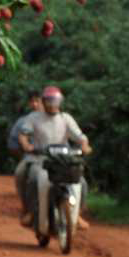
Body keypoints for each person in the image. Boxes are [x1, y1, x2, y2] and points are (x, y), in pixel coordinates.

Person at [16, 85, 92, 235]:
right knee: (30, 178)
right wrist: (26, 145)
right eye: (49, 101)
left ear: (60, 101)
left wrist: (84, 145)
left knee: (81, 182)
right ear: (43, 102)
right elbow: (23, 134)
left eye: (55, 101)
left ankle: (77, 215)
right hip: (39, 159)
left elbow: (80, 136)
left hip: (62, 161)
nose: (52, 104)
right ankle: (30, 211)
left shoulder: (65, 118)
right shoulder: (34, 118)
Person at [8, 90, 42, 215]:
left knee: (77, 179)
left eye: (37, 101)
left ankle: (75, 213)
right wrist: (24, 155)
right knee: (20, 174)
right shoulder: (25, 121)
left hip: (55, 157)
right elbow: (14, 142)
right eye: (32, 101)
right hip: (33, 158)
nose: (35, 104)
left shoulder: (58, 117)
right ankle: (27, 208)